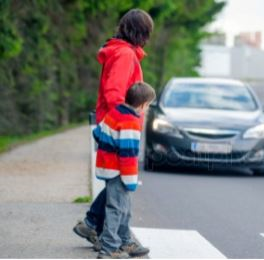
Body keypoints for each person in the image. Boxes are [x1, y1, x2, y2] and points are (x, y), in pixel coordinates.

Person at [72, 8, 153, 252]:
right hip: (118, 127)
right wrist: (128, 120)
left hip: (113, 124)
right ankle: (117, 239)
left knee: (115, 183)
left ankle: (92, 224)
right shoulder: (125, 55)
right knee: (120, 184)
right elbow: (114, 93)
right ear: (140, 32)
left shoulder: (123, 52)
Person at [93, 82, 156, 258]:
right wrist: (130, 180)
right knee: (116, 208)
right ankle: (109, 248)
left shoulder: (116, 111)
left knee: (124, 207)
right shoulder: (131, 122)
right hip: (119, 172)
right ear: (142, 104)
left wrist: (109, 146)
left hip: (108, 167)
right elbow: (127, 154)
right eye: (148, 105)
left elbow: (97, 133)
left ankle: (125, 241)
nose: (147, 109)